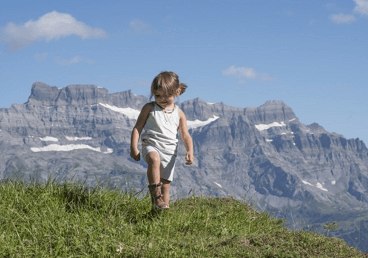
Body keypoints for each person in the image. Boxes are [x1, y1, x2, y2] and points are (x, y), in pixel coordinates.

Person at [130, 71, 194, 210]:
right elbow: (138, 127)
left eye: (167, 96)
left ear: (177, 92)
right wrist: (134, 147)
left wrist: (190, 150)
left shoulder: (179, 113)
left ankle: (161, 213)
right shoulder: (149, 108)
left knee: (165, 185)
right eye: (158, 95)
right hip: (151, 144)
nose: (162, 99)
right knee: (154, 159)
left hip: (170, 151)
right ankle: (155, 195)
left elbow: (185, 135)